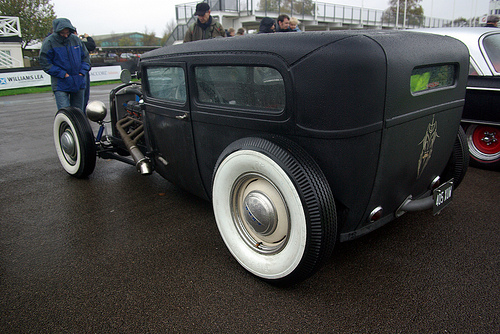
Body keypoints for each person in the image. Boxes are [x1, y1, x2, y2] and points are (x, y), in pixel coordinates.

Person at [39, 18, 90, 112]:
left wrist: (81, 73)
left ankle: (78, 126)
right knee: (66, 112)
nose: (66, 35)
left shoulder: (76, 40)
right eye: (62, 33)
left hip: (78, 81)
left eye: (67, 32)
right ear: (57, 31)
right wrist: (63, 74)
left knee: (79, 112)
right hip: (60, 84)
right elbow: (44, 62)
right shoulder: (49, 42)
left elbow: (86, 58)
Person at [76, 31, 96, 112]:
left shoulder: (79, 43)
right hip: (79, 72)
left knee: (83, 96)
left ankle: (81, 112)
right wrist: (88, 37)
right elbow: (91, 45)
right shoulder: (79, 43)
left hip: (81, 71)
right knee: (81, 95)